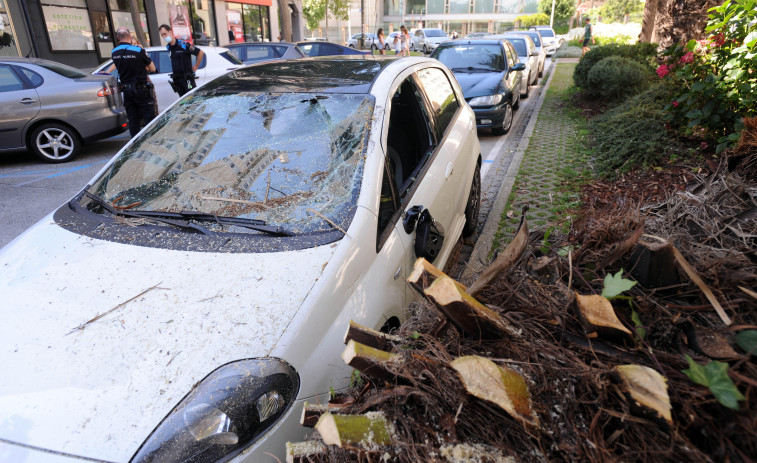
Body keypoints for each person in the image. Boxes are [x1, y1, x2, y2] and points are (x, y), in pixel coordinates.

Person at [111, 27, 156, 137]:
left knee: (133, 118)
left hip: (127, 90)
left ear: (118, 37)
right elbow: (153, 69)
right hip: (141, 89)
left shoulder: (114, 52)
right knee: (149, 117)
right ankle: (152, 140)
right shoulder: (139, 51)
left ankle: (135, 143)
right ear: (130, 37)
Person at [159, 23, 205, 97]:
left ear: (170, 32)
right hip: (177, 79)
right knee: (183, 102)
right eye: (162, 35)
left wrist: (196, 66)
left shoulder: (183, 44)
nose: (164, 36)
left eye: (165, 34)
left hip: (187, 79)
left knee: (192, 99)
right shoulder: (169, 47)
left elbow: (200, 52)